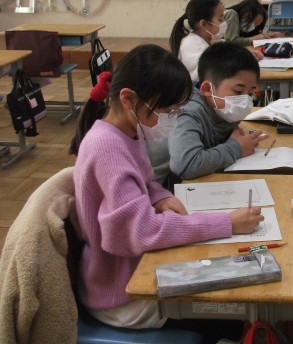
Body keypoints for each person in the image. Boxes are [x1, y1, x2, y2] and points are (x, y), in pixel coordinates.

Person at [69, 44, 263, 331]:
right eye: (167, 110)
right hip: (125, 295)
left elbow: (145, 180)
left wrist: (159, 197)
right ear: (128, 99)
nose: (172, 118)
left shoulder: (127, 130)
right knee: (243, 298)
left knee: (238, 277)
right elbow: (142, 231)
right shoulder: (107, 148)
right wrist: (227, 223)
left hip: (139, 269)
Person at [169, 41, 268, 180]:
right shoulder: (190, 113)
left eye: (250, 93)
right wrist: (237, 148)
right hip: (172, 186)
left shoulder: (221, 106)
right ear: (208, 89)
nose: (245, 100)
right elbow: (185, 165)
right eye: (238, 91)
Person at [169, 0, 262, 82]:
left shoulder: (206, 40)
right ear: (204, 24)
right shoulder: (193, 45)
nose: (224, 23)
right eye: (220, 19)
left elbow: (223, 53)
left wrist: (245, 55)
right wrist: (245, 60)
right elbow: (216, 70)